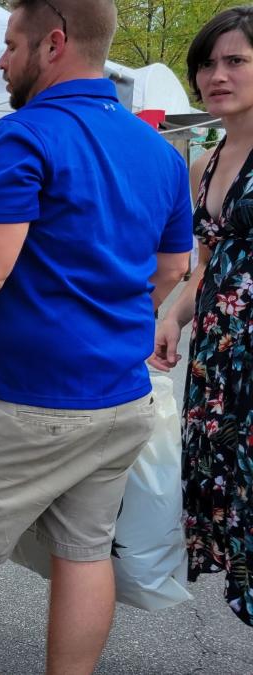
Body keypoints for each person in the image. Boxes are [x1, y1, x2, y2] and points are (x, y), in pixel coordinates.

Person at [0, 1, 192, 672]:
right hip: (120, 399)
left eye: (11, 43)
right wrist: (116, 317)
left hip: (27, 402)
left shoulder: (23, 134)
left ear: (53, 43)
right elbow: (173, 267)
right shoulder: (159, 151)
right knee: (86, 551)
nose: (2, 59)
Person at [151, 6, 253, 628]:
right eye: (207, 64)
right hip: (219, 373)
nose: (216, 74)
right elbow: (204, 263)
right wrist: (172, 314)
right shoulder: (208, 160)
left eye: (235, 60)